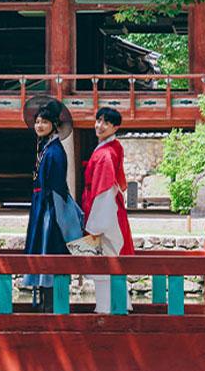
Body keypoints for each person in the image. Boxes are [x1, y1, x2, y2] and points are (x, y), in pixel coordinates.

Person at [22, 96, 84, 312]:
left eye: (44, 122)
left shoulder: (55, 152)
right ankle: (45, 305)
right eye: (38, 121)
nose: (39, 125)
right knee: (43, 252)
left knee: (49, 250)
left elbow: (57, 189)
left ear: (54, 126)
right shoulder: (46, 148)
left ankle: (51, 307)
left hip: (50, 209)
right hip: (42, 205)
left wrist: (58, 220)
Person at [81, 106, 135, 313]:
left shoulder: (105, 155)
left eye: (106, 123)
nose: (99, 126)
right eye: (98, 120)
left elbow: (103, 190)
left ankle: (105, 308)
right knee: (113, 259)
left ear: (115, 127)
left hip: (105, 211)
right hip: (111, 210)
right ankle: (121, 304)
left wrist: (94, 225)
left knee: (103, 260)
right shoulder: (111, 148)